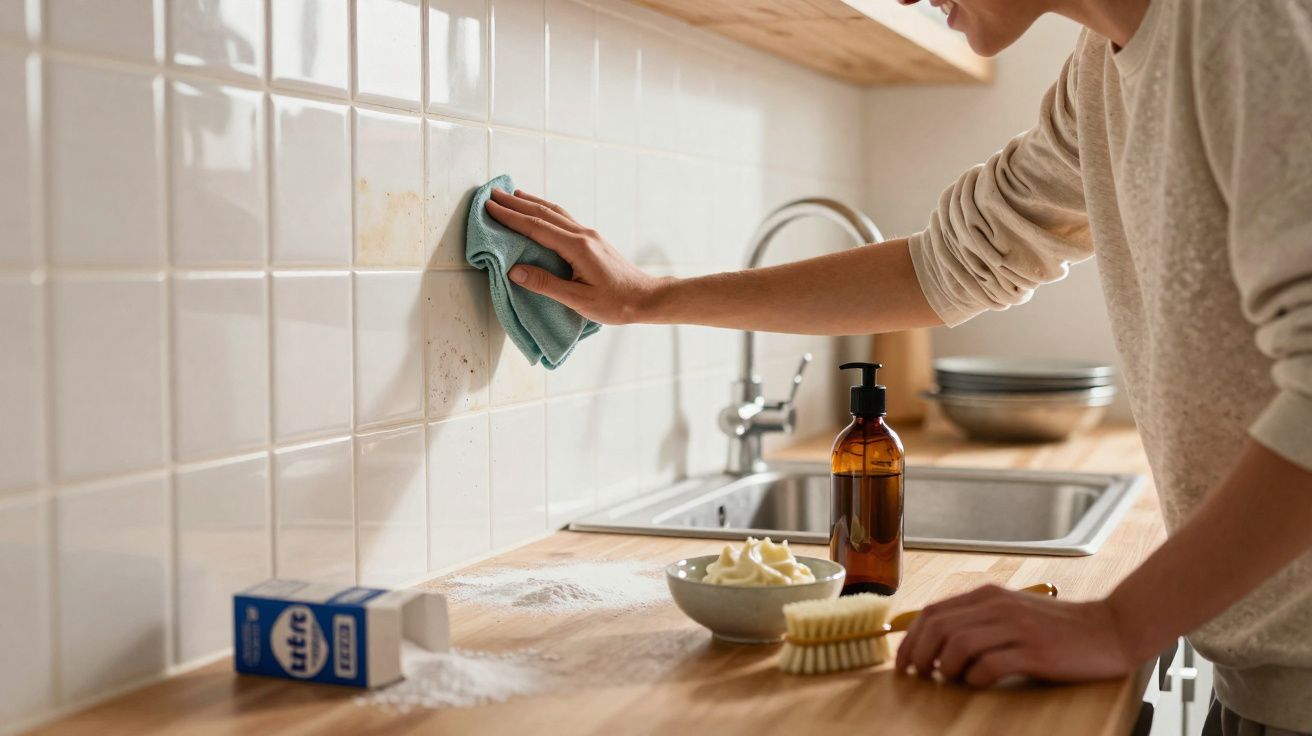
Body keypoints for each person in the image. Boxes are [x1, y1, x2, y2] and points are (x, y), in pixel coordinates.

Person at [485, 0, 1312, 732]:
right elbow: (950, 261)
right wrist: (651, 298)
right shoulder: (1101, 78)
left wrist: (1121, 623)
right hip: (1265, 675)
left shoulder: (1251, 21)